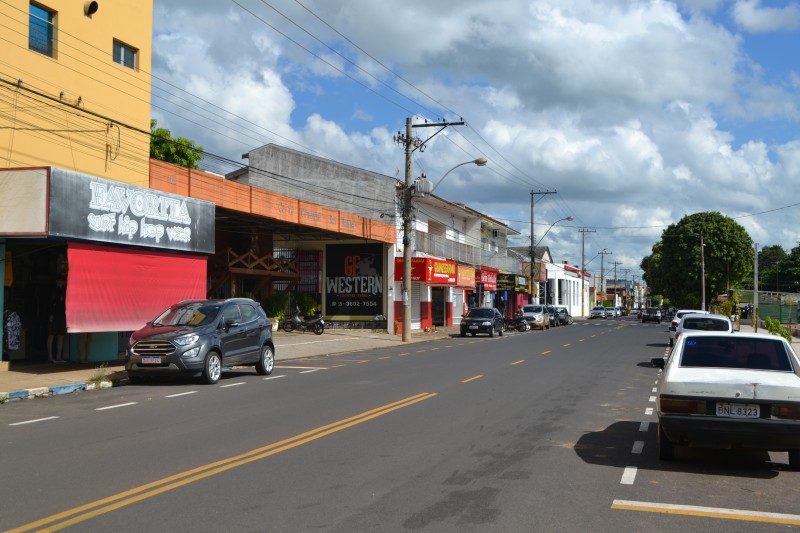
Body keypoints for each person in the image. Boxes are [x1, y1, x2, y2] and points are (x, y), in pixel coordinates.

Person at [47, 277, 67, 363]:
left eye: (63, 280)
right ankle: (50, 356)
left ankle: (59, 356)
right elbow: (49, 303)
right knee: (51, 335)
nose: (61, 282)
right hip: (54, 315)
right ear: (56, 281)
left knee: (61, 336)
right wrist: (50, 314)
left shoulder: (65, 290)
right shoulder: (52, 290)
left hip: (63, 315)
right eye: (60, 280)